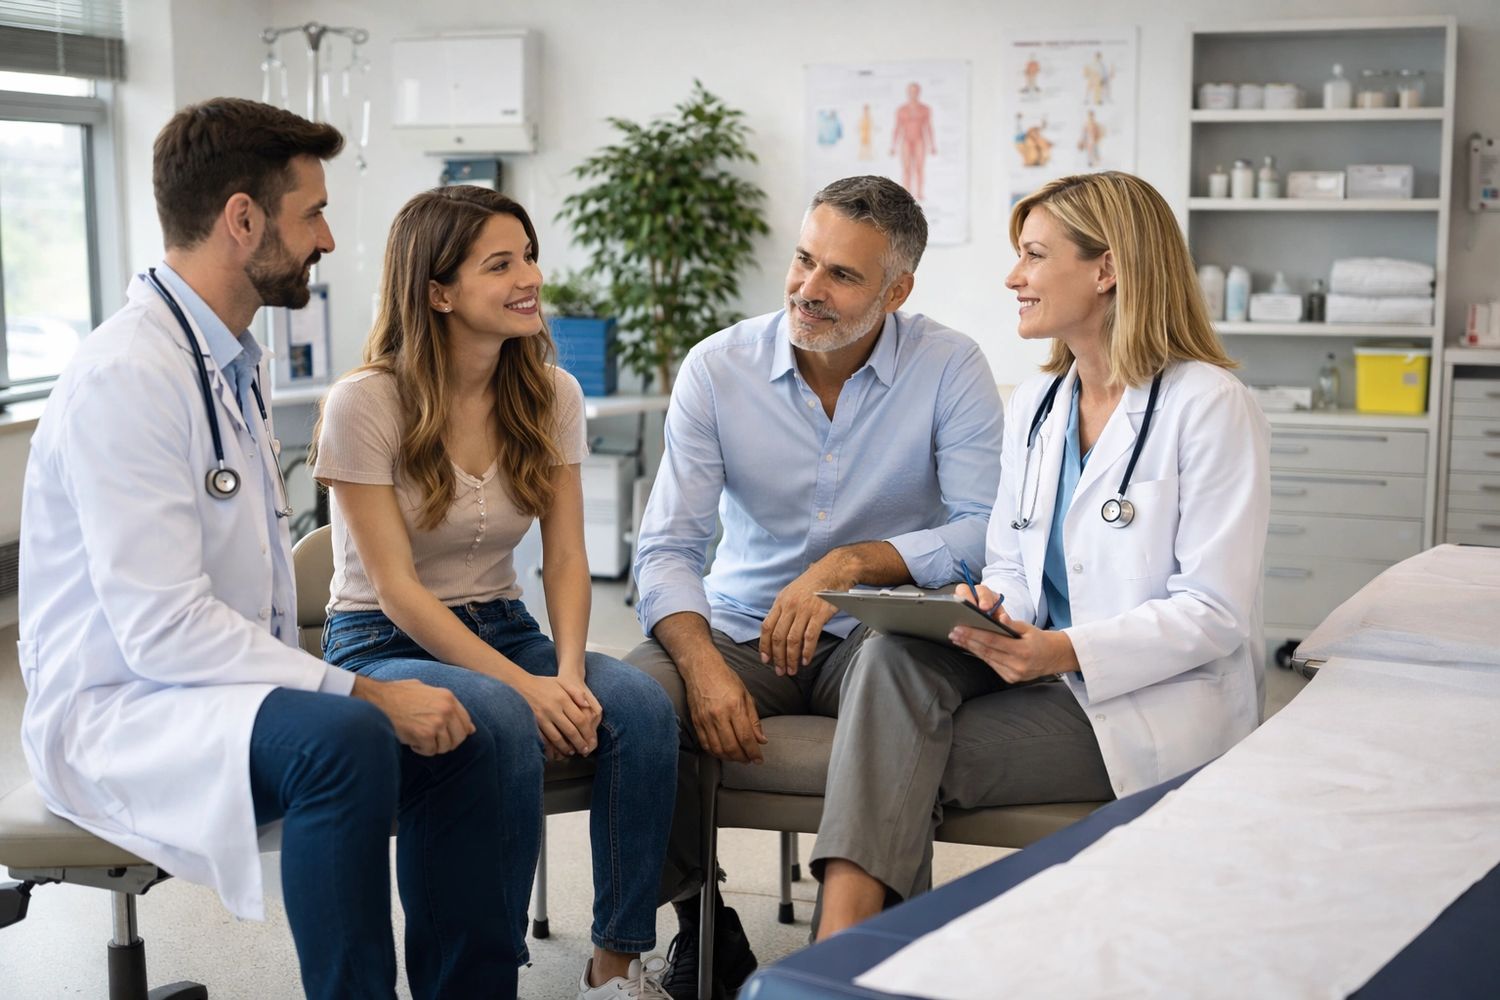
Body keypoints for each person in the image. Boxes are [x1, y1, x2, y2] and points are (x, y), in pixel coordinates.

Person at [17, 98, 514, 999]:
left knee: (473, 734)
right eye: (311, 214)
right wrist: (363, 688)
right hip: (122, 710)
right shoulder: (130, 376)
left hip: (215, 691)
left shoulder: (226, 358)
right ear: (242, 220)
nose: (326, 239)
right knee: (344, 739)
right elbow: (163, 632)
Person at [813, 170, 1270, 938]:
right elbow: (1014, 566)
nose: (1012, 276)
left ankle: (842, 950)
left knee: (890, 764)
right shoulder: (1036, 406)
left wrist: (1063, 649)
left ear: (1108, 268)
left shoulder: (1209, 406)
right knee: (892, 652)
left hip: (1145, 703)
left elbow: (1215, 613)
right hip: (1031, 664)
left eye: (1032, 255)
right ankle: (855, 953)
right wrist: (994, 608)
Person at [627, 174, 1003, 997]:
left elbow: (987, 531)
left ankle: (868, 950)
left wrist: (849, 565)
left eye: (842, 275)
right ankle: (705, 927)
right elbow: (666, 548)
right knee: (634, 702)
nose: (808, 289)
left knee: (900, 678)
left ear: (897, 289)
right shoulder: (716, 369)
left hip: (876, 627)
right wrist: (702, 664)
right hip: (739, 623)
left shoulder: (950, 367)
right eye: (804, 260)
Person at [309, 185, 678, 1000]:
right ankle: (481, 973)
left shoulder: (550, 393)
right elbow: (399, 591)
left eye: (530, 256)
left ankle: (616, 963)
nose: (531, 279)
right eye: (500, 264)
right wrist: (528, 689)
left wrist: (571, 674)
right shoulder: (364, 402)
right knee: (504, 718)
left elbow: (569, 558)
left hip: (506, 625)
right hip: (380, 638)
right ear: (437, 292)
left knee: (644, 709)